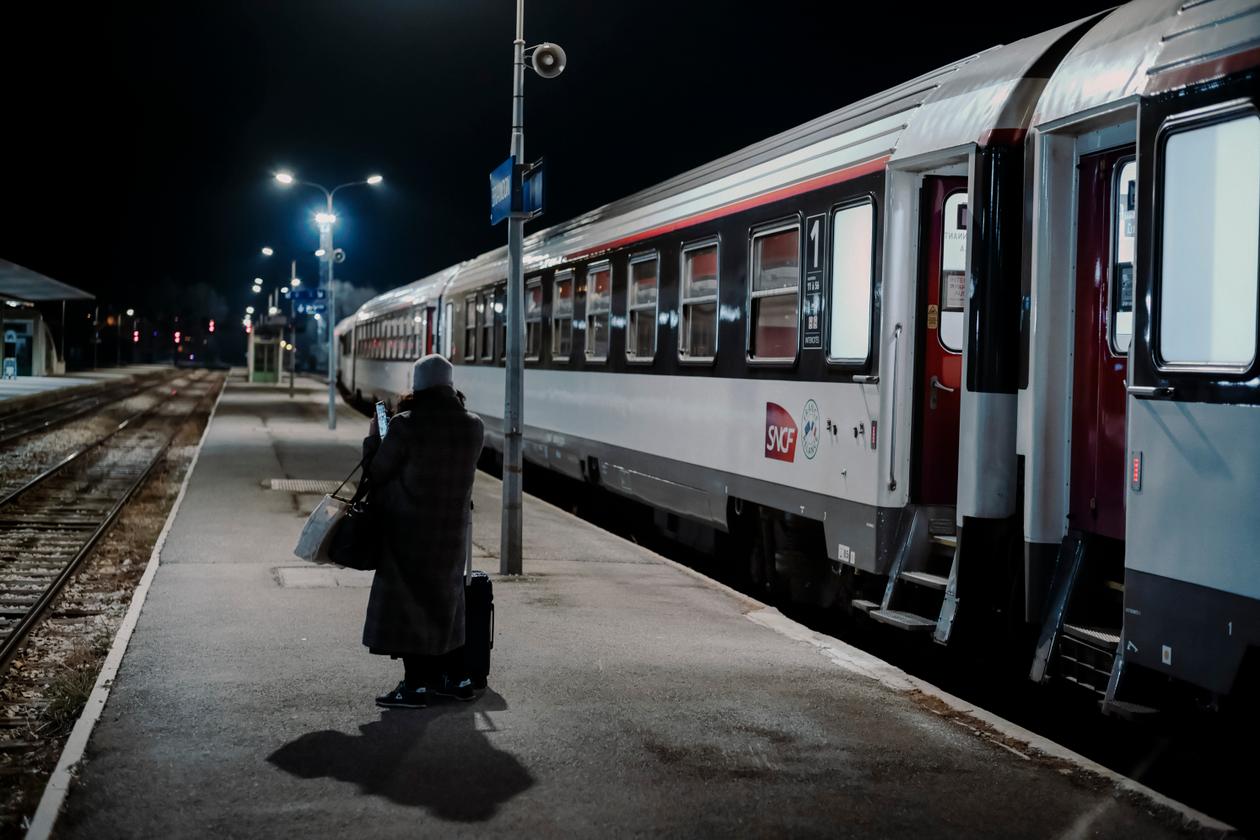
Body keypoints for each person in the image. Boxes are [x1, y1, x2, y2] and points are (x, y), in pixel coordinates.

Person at [361, 354, 484, 709]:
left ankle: (414, 685)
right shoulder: (473, 426)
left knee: (408, 607)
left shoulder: (405, 425)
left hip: (408, 531)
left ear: (417, 386)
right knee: (447, 601)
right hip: (451, 533)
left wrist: (374, 439)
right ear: (450, 385)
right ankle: (456, 678)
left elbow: (377, 473)